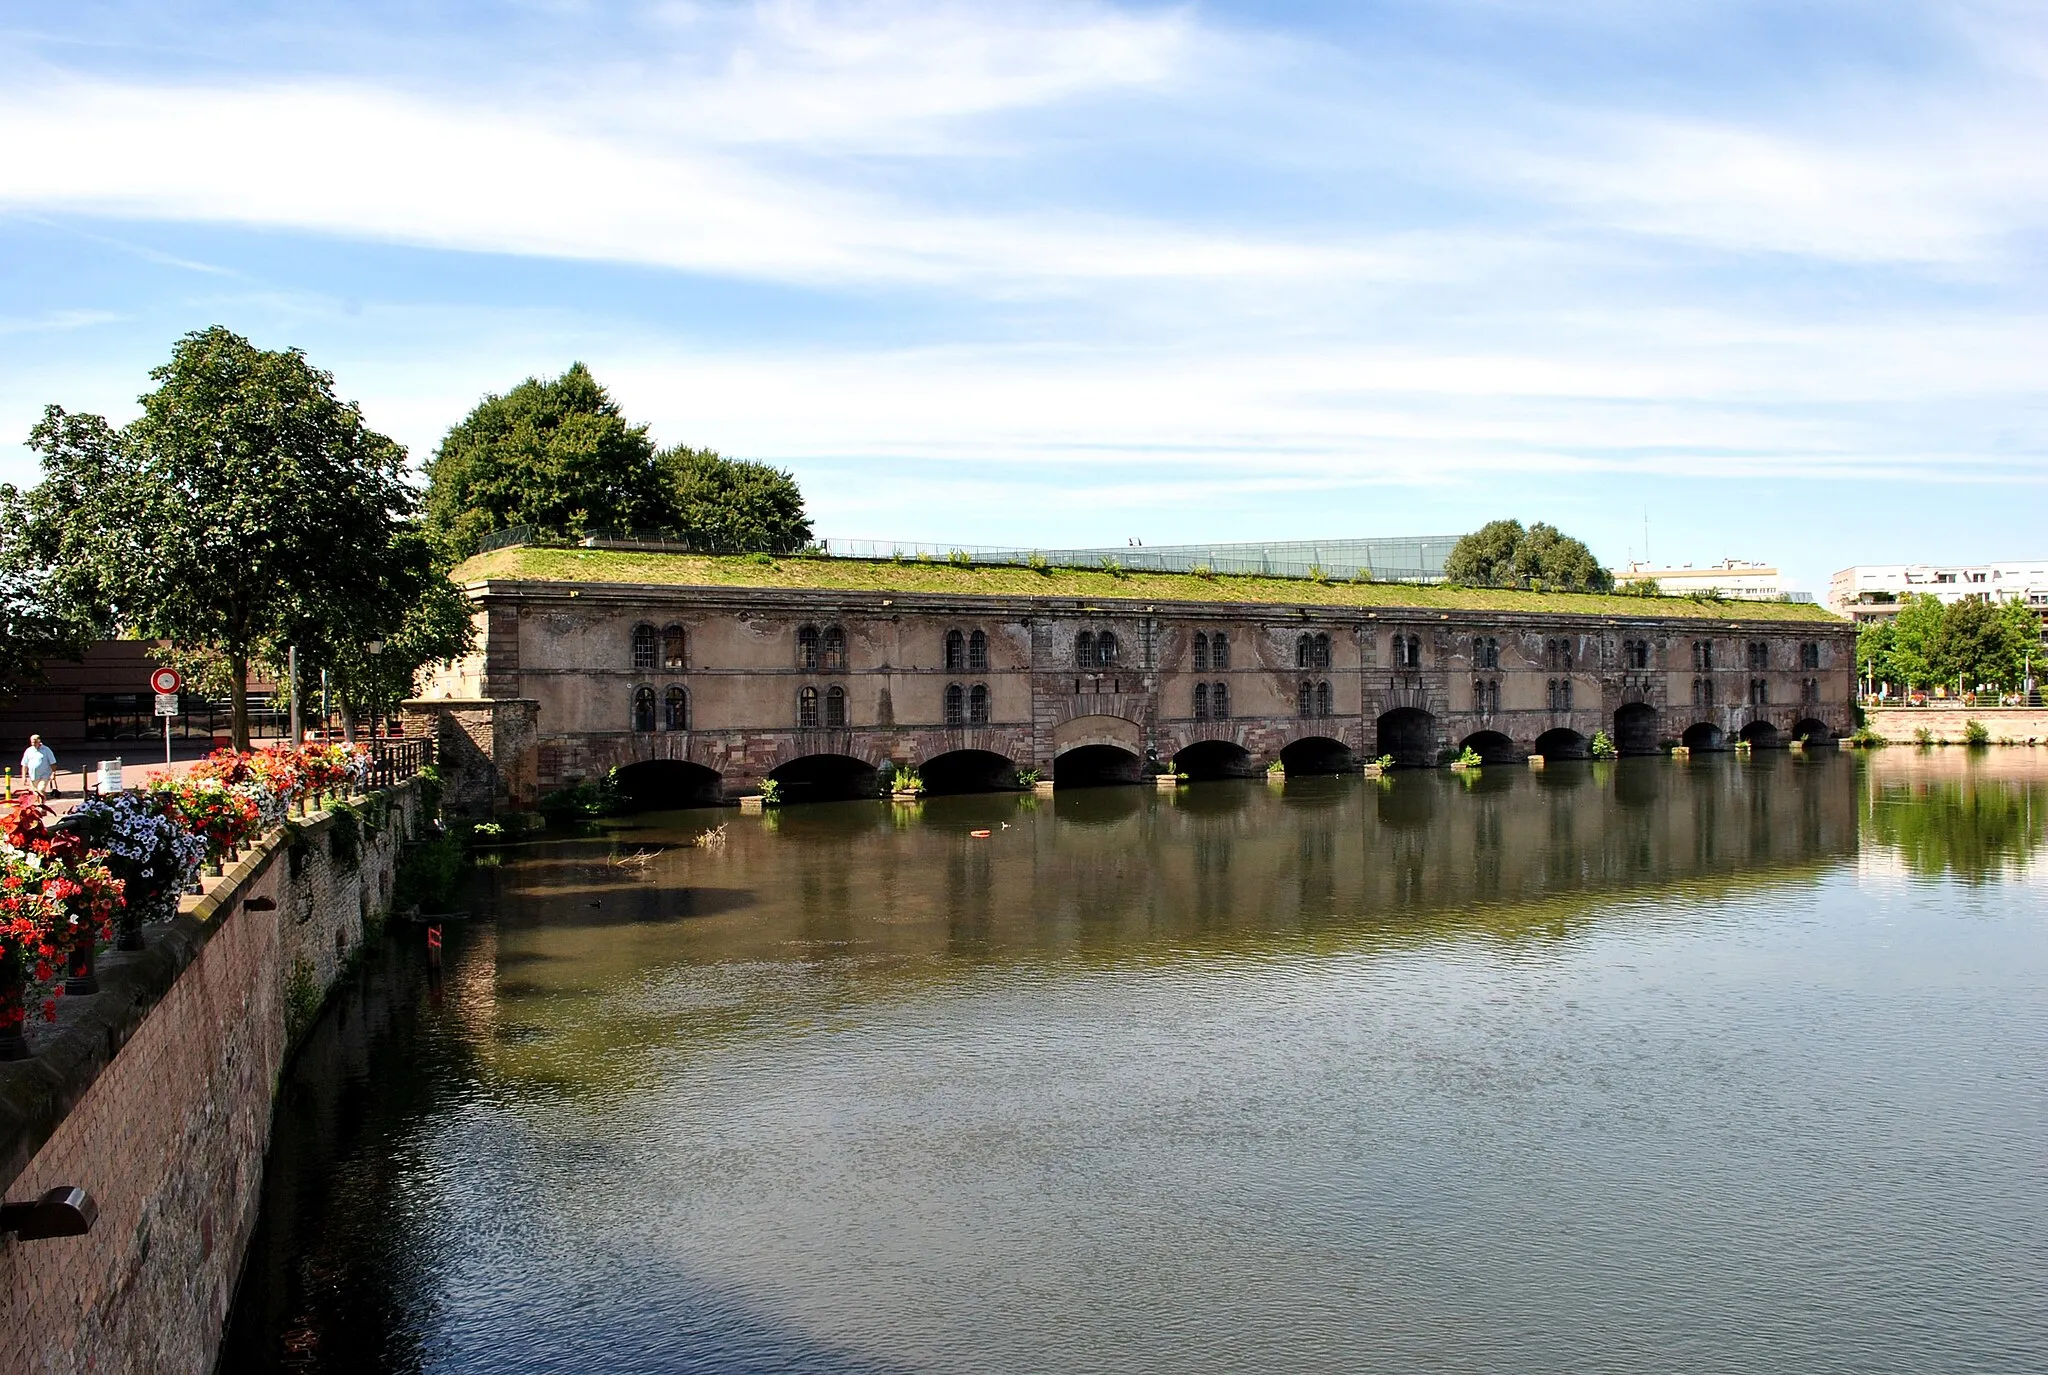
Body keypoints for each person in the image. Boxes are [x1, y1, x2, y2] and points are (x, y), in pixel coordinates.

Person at [20, 734, 57, 801]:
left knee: (41, 789)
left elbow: (53, 763)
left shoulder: (46, 750)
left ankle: (42, 807)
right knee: (35, 793)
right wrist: (24, 776)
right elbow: (24, 765)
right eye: (32, 742)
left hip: (45, 775)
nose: (33, 744)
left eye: (35, 742)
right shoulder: (28, 750)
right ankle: (38, 806)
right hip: (33, 776)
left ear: (39, 741)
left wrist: (53, 773)